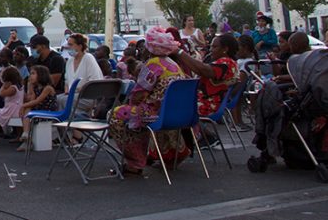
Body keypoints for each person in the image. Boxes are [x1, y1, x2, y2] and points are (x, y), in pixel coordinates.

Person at [107, 26, 188, 176]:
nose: (143, 49)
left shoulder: (153, 65)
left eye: (145, 45)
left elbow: (138, 95)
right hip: (176, 114)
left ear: (151, 48)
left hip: (156, 114)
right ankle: (149, 155)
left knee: (115, 115)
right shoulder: (174, 65)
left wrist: (129, 103)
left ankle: (135, 162)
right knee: (131, 114)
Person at [171, 33, 239, 118]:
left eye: (214, 47)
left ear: (225, 49)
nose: (210, 50)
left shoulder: (226, 63)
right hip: (209, 104)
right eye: (211, 47)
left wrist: (179, 52)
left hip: (207, 106)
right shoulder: (230, 63)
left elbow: (202, 70)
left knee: (168, 105)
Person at [15, 65, 58, 151]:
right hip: (39, 110)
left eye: (33, 74)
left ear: (41, 75)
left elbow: (37, 101)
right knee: (27, 110)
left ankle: (27, 138)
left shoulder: (48, 88)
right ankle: (26, 135)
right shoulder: (36, 88)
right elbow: (31, 100)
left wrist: (23, 105)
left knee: (27, 109)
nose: (30, 76)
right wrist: (30, 87)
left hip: (47, 111)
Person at [62, 34, 104, 103]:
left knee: (64, 101)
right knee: (57, 99)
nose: (67, 47)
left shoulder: (88, 58)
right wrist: (67, 92)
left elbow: (94, 81)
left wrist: (76, 90)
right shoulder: (69, 61)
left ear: (80, 46)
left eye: (70, 44)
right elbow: (66, 81)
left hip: (87, 96)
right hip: (72, 95)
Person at [0, 65, 24, 143]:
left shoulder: (13, 88)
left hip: (12, 109)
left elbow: (1, 94)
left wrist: (3, 87)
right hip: (17, 108)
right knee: (18, 126)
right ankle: (19, 136)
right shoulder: (21, 87)